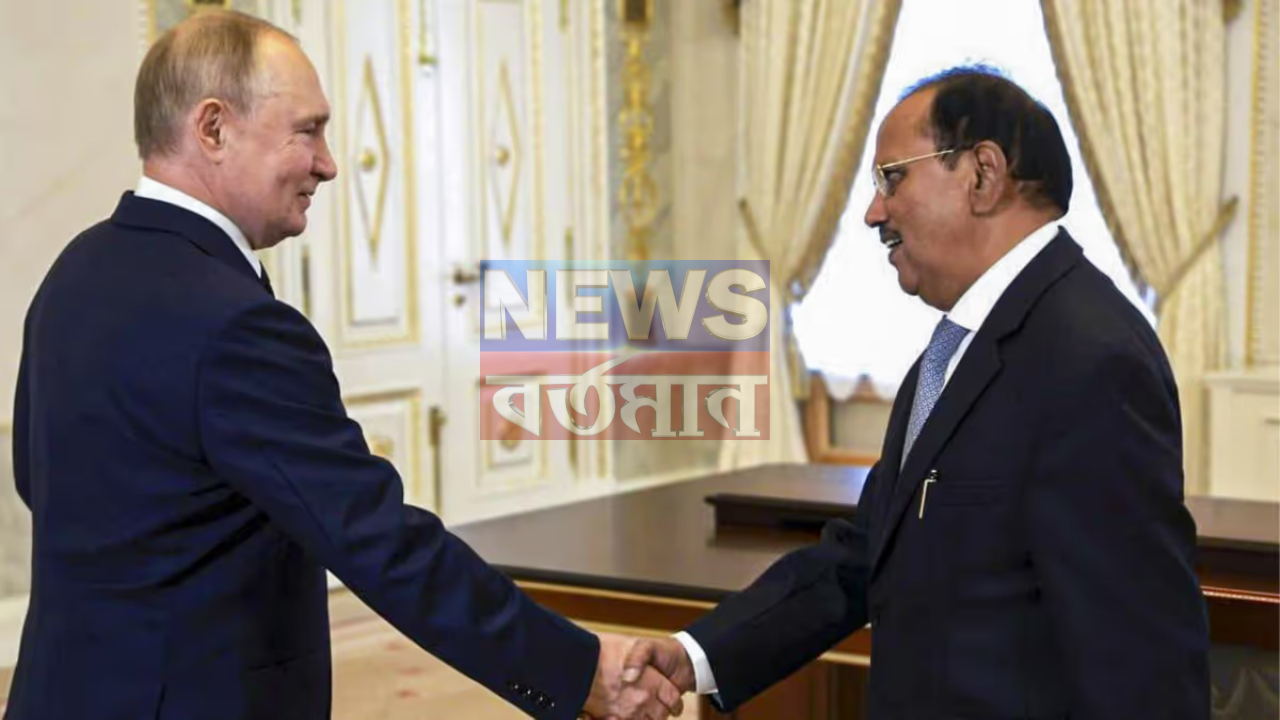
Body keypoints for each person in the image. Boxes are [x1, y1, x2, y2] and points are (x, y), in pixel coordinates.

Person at [4, 10, 681, 720]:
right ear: (213, 128)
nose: (328, 164)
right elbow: (378, 542)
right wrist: (580, 672)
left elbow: (38, 477)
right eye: (308, 130)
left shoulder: (76, 270)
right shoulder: (235, 323)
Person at [620, 66, 1210, 718]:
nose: (873, 212)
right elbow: (867, 553)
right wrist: (696, 654)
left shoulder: (1091, 357)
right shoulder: (956, 346)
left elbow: (1139, 657)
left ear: (983, 174)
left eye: (891, 178)